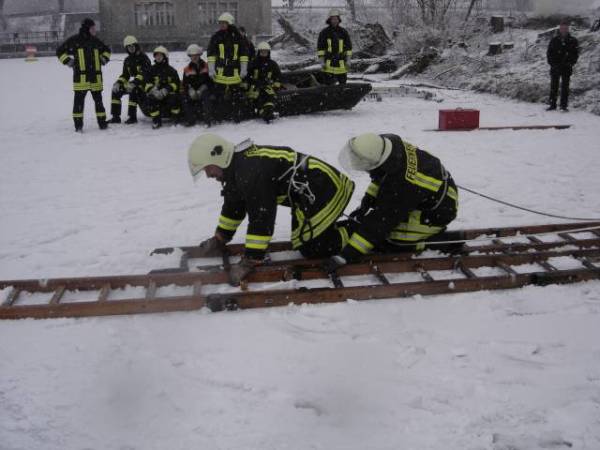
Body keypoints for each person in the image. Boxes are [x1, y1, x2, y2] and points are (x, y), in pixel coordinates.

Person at [187, 134, 355, 285]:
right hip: (308, 195)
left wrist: (252, 258)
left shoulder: (251, 172)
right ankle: (332, 230)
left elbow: (262, 216)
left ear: (219, 158)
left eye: (208, 168)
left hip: (326, 188)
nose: (208, 175)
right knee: (304, 241)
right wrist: (220, 238)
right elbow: (234, 206)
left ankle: (357, 232)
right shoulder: (237, 169)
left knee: (312, 248)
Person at [324, 133, 459, 272]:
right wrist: (366, 204)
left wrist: (346, 255)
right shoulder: (389, 147)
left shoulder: (403, 186)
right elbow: (381, 179)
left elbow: (381, 223)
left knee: (392, 241)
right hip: (423, 194)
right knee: (379, 223)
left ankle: (436, 242)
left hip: (436, 212)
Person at [56, 18, 111, 132]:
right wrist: (68, 61)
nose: (95, 30)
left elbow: (107, 50)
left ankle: (102, 124)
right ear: (87, 28)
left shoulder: (96, 41)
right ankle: (78, 126)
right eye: (92, 28)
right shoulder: (75, 40)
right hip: (81, 79)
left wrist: (104, 59)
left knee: (99, 103)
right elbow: (60, 51)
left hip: (96, 78)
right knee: (79, 104)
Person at [207, 12, 249, 122]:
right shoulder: (216, 37)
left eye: (224, 23)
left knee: (236, 95)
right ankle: (219, 116)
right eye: (220, 23)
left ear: (230, 23)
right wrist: (211, 69)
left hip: (234, 71)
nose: (221, 25)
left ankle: (236, 116)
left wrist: (244, 68)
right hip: (220, 71)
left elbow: (243, 54)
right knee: (219, 95)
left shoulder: (238, 37)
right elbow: (211, 54)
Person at [109, 35, 151, 124]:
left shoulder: (144, 58)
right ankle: (115, 117)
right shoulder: (127, 60)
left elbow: (144, 74)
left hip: (145, 85)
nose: (131, 48)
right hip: (134, 83)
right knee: (116, 91)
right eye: (129, 47)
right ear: (126, 48)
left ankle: (132, 117)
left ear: (136, 46)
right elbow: (125, 75)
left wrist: (133, 83)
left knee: (133, 89)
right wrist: (118, 83)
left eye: (132, 46)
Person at [141, 46, 181, 129]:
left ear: (165, 56)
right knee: (150, 100)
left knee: (174, 99)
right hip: (155, 94)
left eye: (160, 55)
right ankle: (156, 121)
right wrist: (153, 90)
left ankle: (175, 119)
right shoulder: (151, 70)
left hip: (168, 94)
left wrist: (167, 89)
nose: (158, 57)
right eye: (156, 55)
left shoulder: (171, 70)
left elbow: (176, 83)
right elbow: (146, 83)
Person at [546, 20, 579, 112]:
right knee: (554, 86)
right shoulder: (554, 40)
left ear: (568, 29)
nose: (564, 30)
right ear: (559, 28)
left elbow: (575, 55)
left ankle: (563, 106)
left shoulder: (573, 41)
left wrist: (570, 63)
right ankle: (552, 105)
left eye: (565, 28)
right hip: (555, 67)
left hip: (566, 68)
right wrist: (553, 64)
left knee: (565, 87)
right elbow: (549, 54)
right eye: (562, 28)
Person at [245, 41, 282, 123]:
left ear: (268, 52)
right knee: (256, 98)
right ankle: (263, 112)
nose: (264, 53)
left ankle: (267, 112)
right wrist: (253, 82)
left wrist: (275, 87)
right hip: (254, 87)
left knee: (270, 97)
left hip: (267, 86)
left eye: (265, 51)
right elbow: (247, 77)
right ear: (259, 52)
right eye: (262, 51)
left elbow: (278, 77)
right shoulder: (253, 63)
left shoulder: (272, 64)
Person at [317, 9, 352, 85]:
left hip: (341, 63)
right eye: (333, 19)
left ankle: (342, 96)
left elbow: (349, 48)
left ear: (339, 20)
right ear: (329, 20)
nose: (334, 21)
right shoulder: (324, 32)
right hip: (328, 63)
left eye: (336, 19)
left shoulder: (343, 32)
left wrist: (348, 61)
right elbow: (320, 49)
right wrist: (322, 62)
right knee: (328, 85)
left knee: (342, 85)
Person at [181, 44, 213, 127]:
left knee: (206, 97)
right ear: (189, 56)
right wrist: (190, 89)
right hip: (193, 91)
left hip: (204, 90)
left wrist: (203, 88)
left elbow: (210, 81)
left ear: (199, 55)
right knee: (185, 98)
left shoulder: (207, 66)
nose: (194, 57)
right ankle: (190, 120)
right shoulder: (187, 69)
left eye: (196, 55)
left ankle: (207, 121)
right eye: (192, 55)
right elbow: (185, 83)